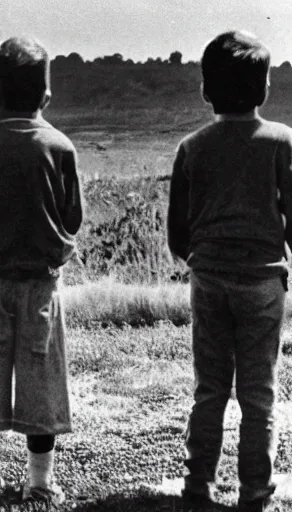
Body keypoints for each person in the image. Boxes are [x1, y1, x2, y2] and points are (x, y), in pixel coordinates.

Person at [0, 36, 83, 506]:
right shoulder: (60, 148)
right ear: (46, 95)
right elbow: (73, 217)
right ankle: (40, 482)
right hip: (41, 284)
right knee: (41, 383)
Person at [168, 31, 292, 512]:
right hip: (263, 281)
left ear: (205, 89)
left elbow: (178, 229)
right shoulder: (282, 142)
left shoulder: (192, 146)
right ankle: (254, 491)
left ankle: (198, 485)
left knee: (210, 388)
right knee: (259, 393)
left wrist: (197, 260)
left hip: (209, 278)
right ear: (264, 88)